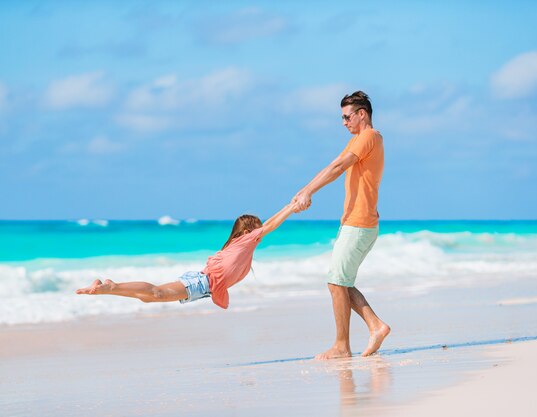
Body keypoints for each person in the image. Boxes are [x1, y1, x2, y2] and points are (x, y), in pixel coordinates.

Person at [293, 90, 390, 360]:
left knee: (337, 282)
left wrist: (309, 191)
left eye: (347, 117)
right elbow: (333, 164)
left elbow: (338, 169)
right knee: (341, 282)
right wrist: (305, 189)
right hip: (357, 223)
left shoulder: (369, 137)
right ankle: (376, 326)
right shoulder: (361, 139)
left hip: (359, 224)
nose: (344, 122)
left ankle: (341, 346)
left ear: (362, 114)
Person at [76, 204, 296, 309]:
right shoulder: (246, 240)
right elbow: (271, 225)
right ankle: (111, 287)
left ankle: (109, 289)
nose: (261, 236)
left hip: (203, 286)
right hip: (201, 282)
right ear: (249, 233)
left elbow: (267, 224)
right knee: (156, 292)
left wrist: (289, 205)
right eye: (258, 232)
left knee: (149, 297)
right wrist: (293, 207)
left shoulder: (242, 243)